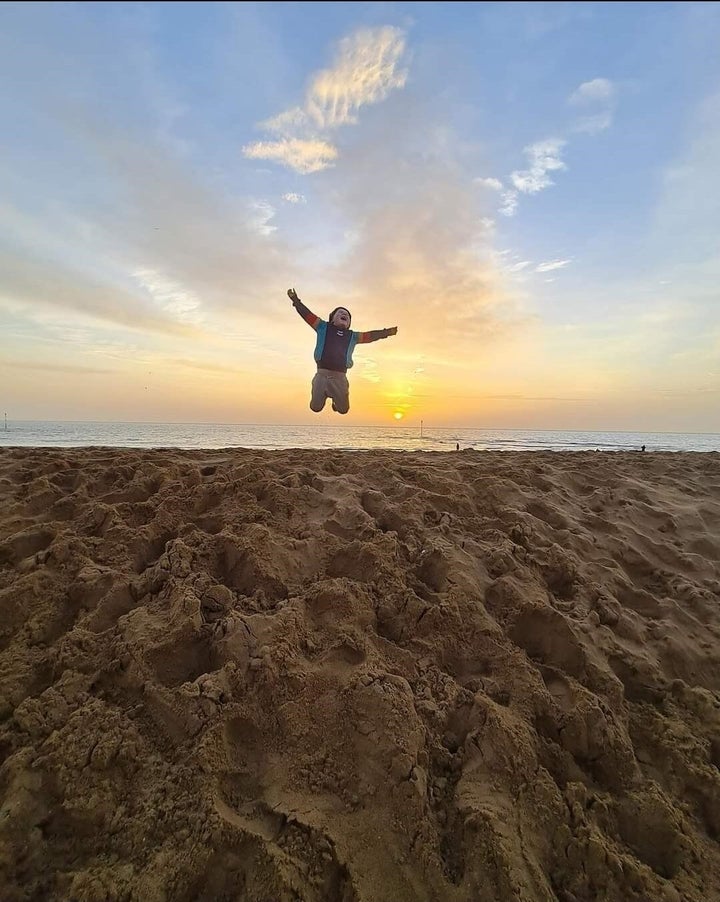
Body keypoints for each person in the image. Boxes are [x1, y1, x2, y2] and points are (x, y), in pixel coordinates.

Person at [288, 288, 398, 414]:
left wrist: (387, 332)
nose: (344, 314)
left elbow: (371, 336)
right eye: (340, 312)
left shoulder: (353, 336)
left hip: (340, 378)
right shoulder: (322, 326)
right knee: (315, 408)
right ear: (332, 319)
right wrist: (295, 301)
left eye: (347, 315)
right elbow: (307, 315)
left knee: (343, 410)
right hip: (322, 375)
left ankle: (335, 401)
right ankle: (323, 394)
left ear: (349, 323)